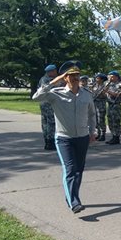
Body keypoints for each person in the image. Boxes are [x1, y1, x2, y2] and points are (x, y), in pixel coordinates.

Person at [32, 60, 96, 214]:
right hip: (64, 138)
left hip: (82, 137)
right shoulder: (55, 94)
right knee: (70, 169)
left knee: (79, 170)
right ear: (65, 78)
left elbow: (92, 114)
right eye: (71, 76)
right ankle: (74, 202)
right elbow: (36, 97)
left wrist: (92, 131)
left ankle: (72, 196)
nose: (75, 78)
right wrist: (53, 82)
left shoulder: (86, 94)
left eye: (77, 75)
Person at [38, 64, 59, 150]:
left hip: (44, 103)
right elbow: (49, 89)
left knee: (45, 122)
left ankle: (47, 141)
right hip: (48, 103)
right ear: (51, 71)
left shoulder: (44, 79)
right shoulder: (46, 80)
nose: (56, 73)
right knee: (50, 122)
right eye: (54, 71)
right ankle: (50, 142)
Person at [104, 71, 121, 144]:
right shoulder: (108, 84)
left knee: (115, 121)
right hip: (109, 104)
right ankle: (113, 136)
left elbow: (116, 95)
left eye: (111, 76)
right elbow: (104, 93)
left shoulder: (119, 85)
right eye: (109, 76)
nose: (110, 78)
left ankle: (116, 137)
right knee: (110, 121)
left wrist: (108, 91)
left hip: (116, 104)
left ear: (116, 77)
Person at [91, 73, 109, 142]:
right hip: (94, 104)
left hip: (101, 105)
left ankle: (103, 134)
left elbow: (105, 96)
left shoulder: (105, 86)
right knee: (95, 120)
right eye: (96, 78)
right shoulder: (95, 85)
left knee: (100, 120)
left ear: (102, 79)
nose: (96, 79)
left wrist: (103, 94)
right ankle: (98, 133)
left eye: (98, 78)